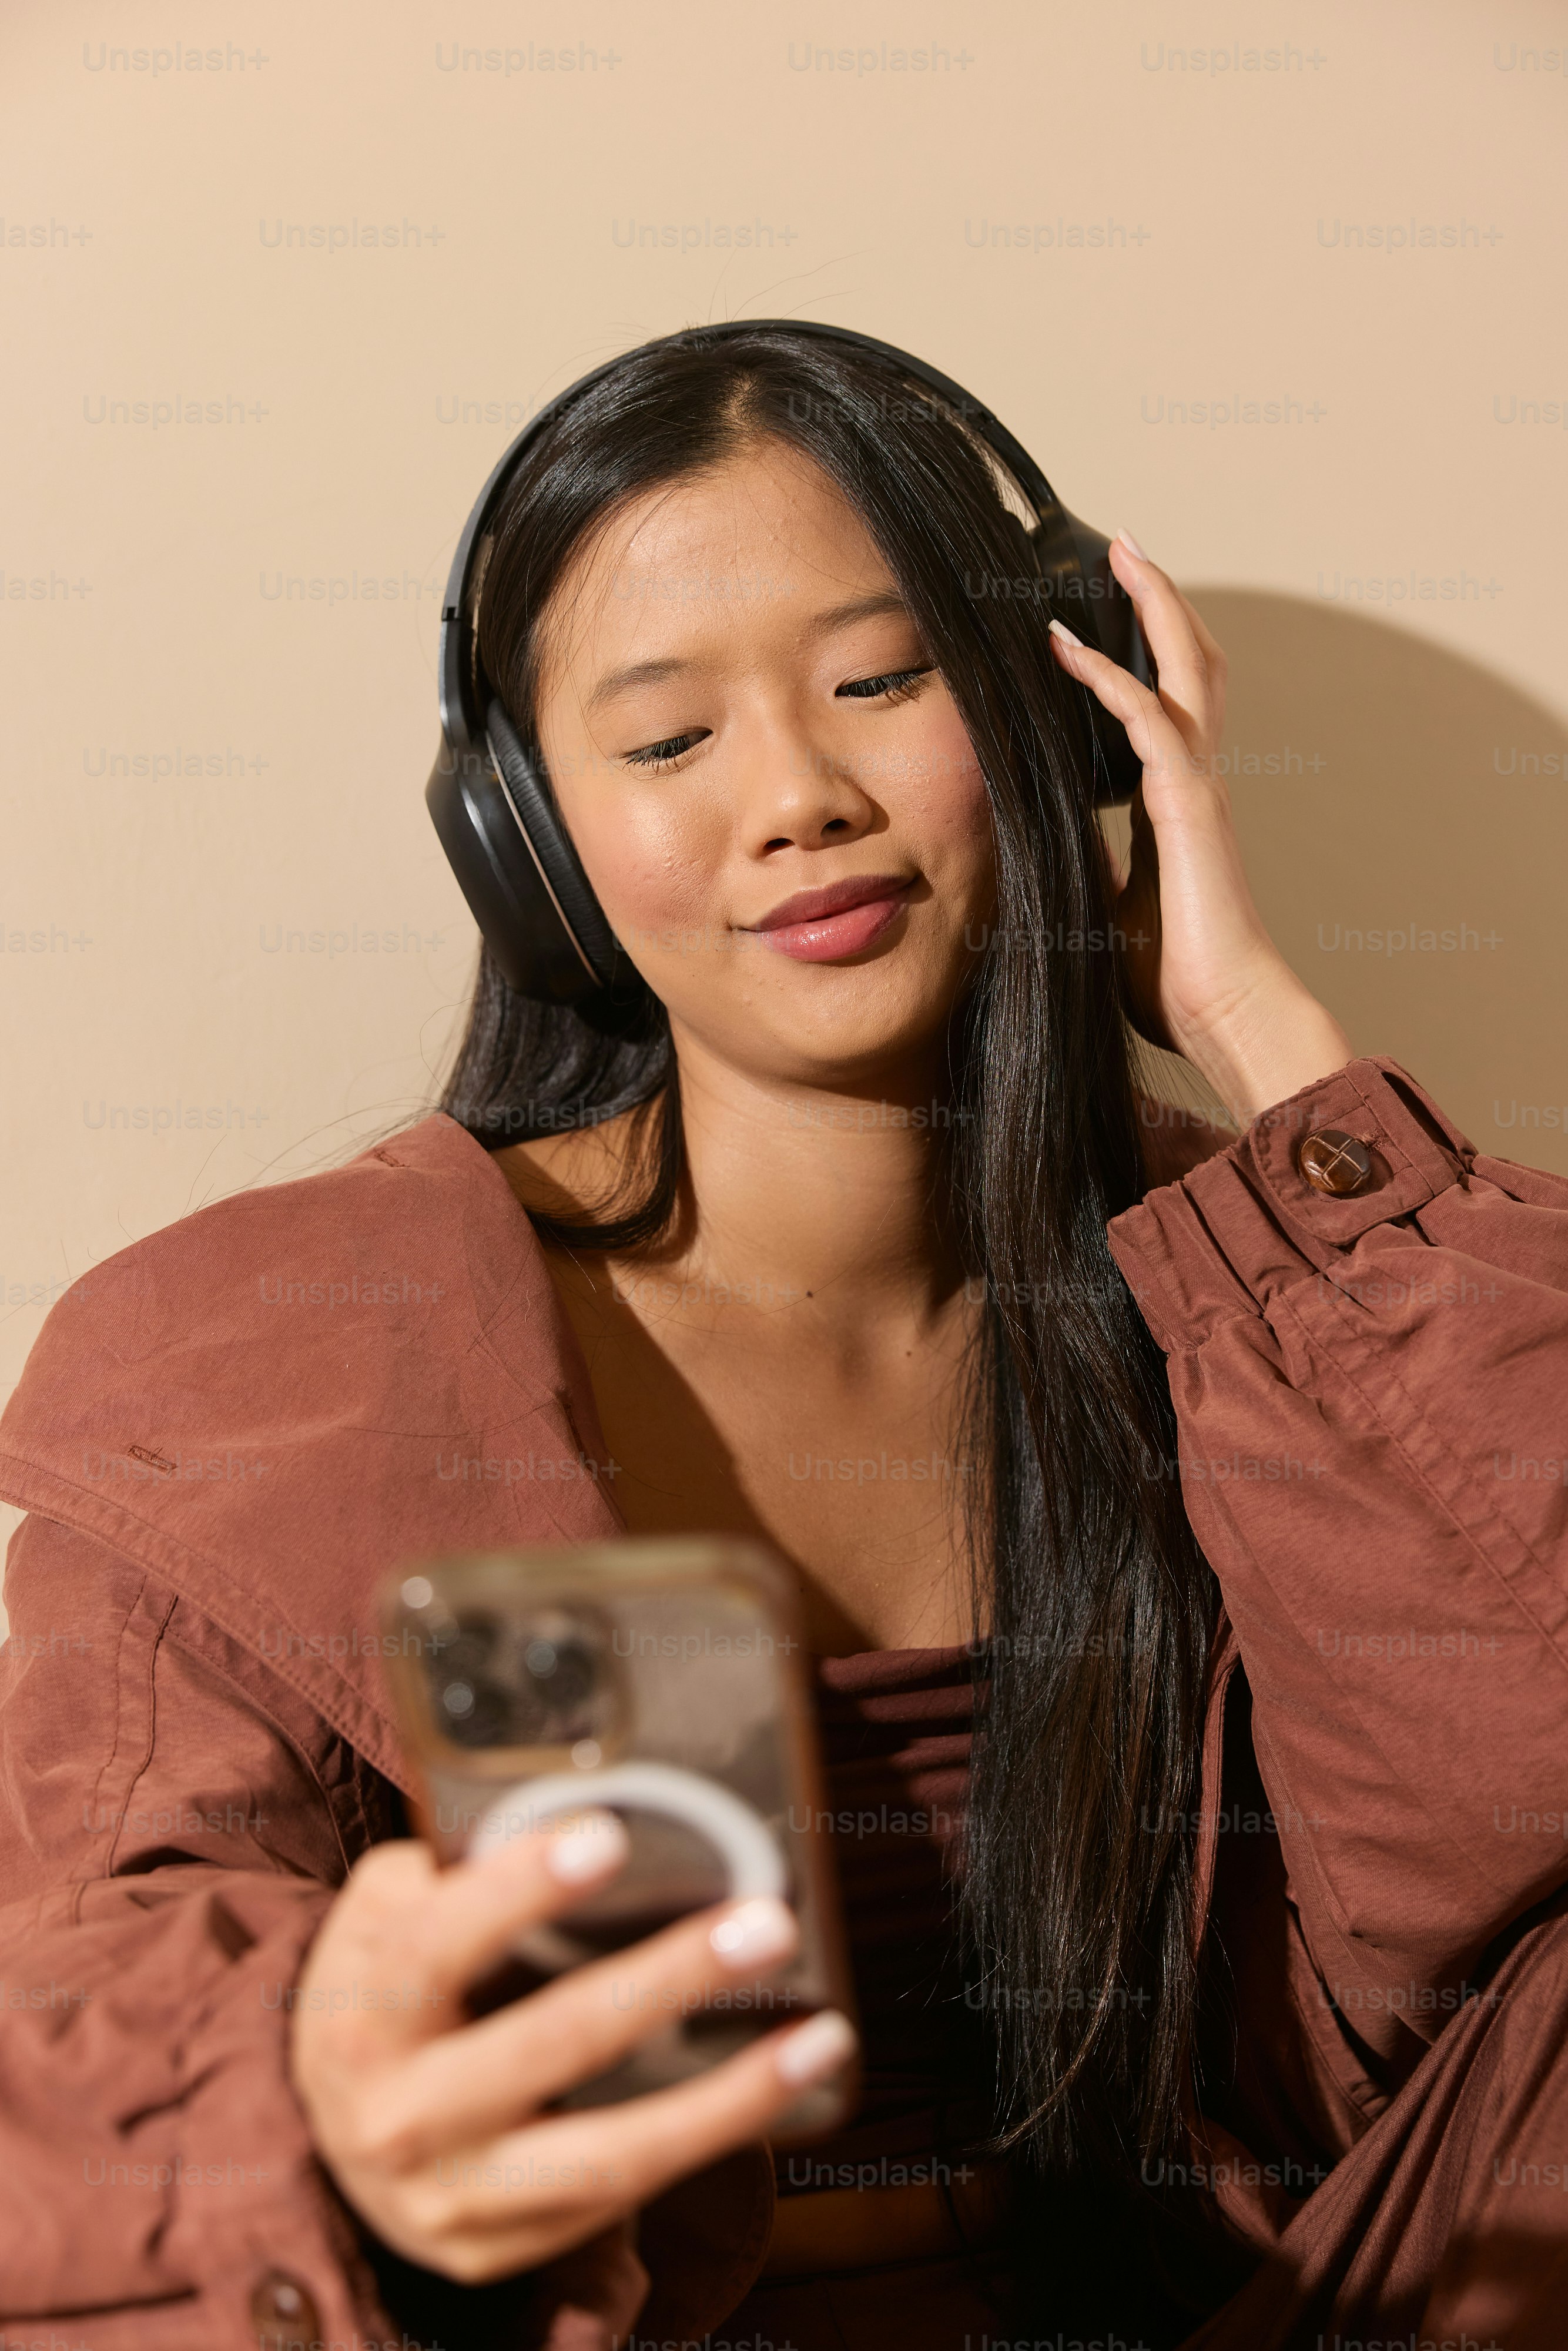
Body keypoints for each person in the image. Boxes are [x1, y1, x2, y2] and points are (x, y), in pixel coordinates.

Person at [1, 326, 1564, 2351]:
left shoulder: (1251, 1302)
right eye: (666, 745)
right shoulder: (288, 1358)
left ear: (1052, 719)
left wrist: (1258, 1025)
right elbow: (74, 1997)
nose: (799, 800)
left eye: (881, 682)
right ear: (529, 843)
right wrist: (323, 2095)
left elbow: (1521, 1744)